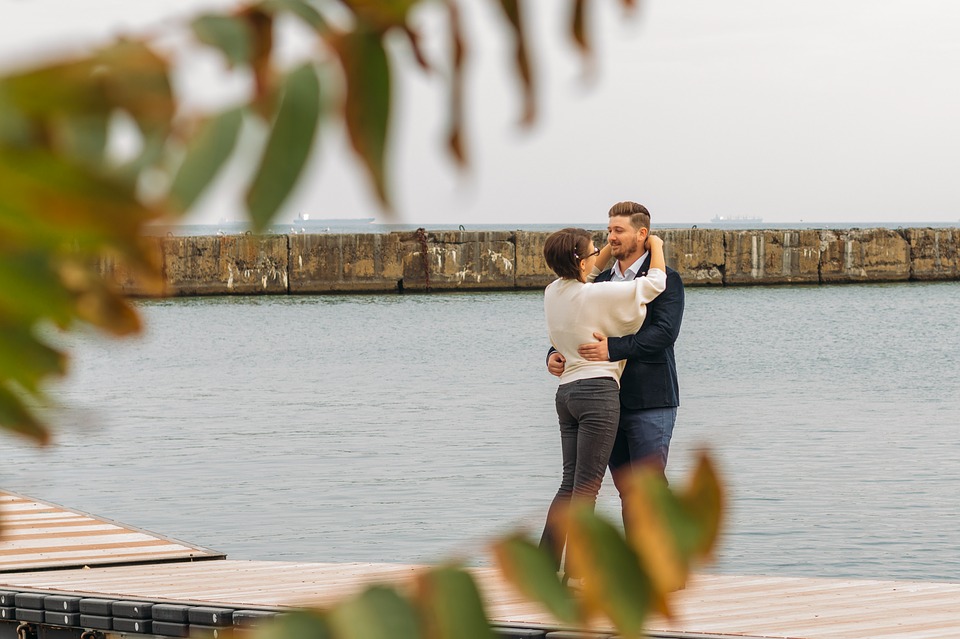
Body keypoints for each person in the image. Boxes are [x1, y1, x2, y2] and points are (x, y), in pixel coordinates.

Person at [548, 202, 685, 537]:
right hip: (604, 403)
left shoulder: (668, 278)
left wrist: (613, 348)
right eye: (608, 230)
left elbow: (664, 333)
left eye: (619, 230)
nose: (611, 237)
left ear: (642, 234)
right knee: (626, 490)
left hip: (650, 400)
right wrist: (554, 353)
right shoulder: (598, 281)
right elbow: (573, 321)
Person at [540, 226, 667, 579]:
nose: (601, 252)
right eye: (594, 249)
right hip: (597, 392)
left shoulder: (552, 292)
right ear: (581, 261)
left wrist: (598, 252)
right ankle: (577, 571)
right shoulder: (597, 295)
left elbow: (587, 274)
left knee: (569, 483)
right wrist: (656, 245)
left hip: (566, 394)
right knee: (587, 488)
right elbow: (655, 282)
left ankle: (546, 566)